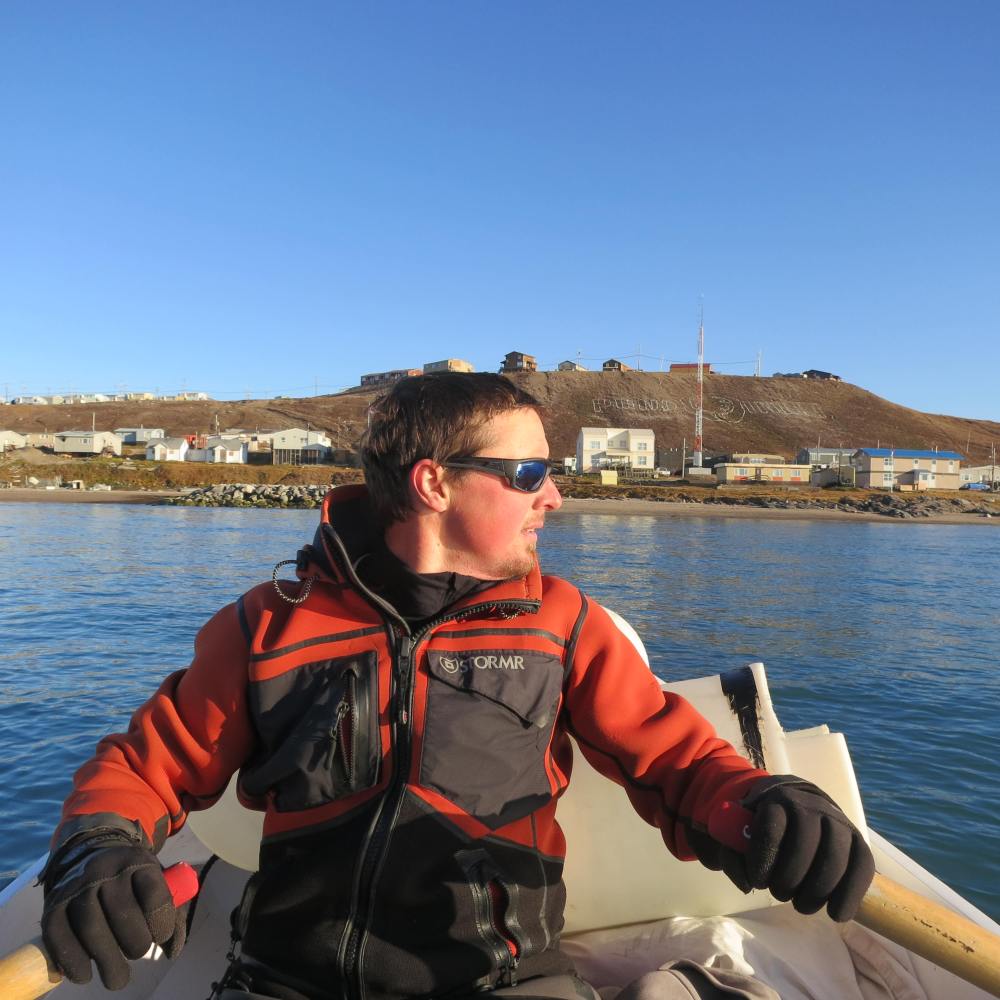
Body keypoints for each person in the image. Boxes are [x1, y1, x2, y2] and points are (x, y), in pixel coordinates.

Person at [40, 373, 874, 1000]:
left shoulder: (563, 624)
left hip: (502, 983)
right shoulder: (267, 627)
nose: (554, 494)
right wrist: (97, 851)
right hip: (285, 981)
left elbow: (675, 760)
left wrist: (762, 807)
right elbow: (146, 770)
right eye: (527, 474)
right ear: (434, 483)